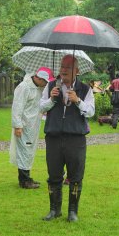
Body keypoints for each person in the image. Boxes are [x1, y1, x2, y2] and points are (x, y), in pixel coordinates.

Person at [39, 55, 95, 222]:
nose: (63, 70)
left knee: (76, 176)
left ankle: (72, 212)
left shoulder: (85, 89)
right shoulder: (51, 86)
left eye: (68, 67)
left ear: (76, 71)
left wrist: (77, 101)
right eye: (62, 66)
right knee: (54, 175)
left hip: (75, 139)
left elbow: (91, 112)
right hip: (54, 137)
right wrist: (51, 99)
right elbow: (41, 107)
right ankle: (54, 210)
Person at [10, 67, 54, 189]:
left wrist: (52, 99)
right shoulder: (24, 87)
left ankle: (27, 177)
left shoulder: (39, 89)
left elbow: (41, 107)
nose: (45, 84)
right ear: (38, 78)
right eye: (44, 81)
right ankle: (24, 180)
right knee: (24, 150)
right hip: (24, 125)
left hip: (33, 125)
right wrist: (17, 126)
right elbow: (17, 107)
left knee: (29, 151)